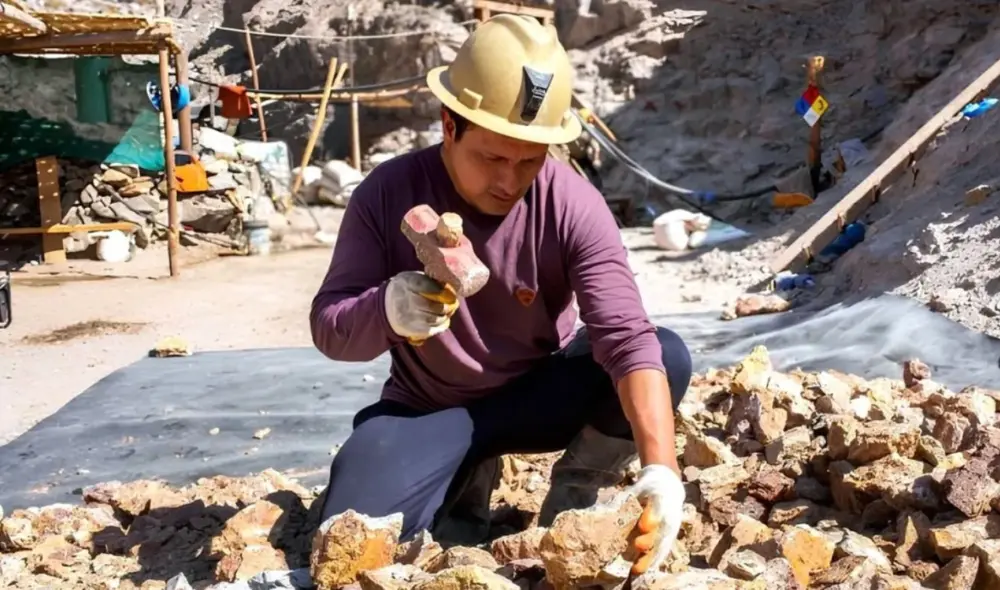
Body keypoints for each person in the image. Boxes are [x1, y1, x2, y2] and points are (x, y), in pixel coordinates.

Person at [310, 14, 691, 575]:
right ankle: (465, 476)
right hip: (430, 408)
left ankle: (577, 506)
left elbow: (626, 336)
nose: (509, 182)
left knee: (666, 355)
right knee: (349, 538)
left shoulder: (571, 202)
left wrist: (663, 470)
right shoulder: (387, 195)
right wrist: (387, 308)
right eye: (491, 157)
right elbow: (329, 328)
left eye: (529, 161)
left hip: (538, 393)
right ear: (449, 124)